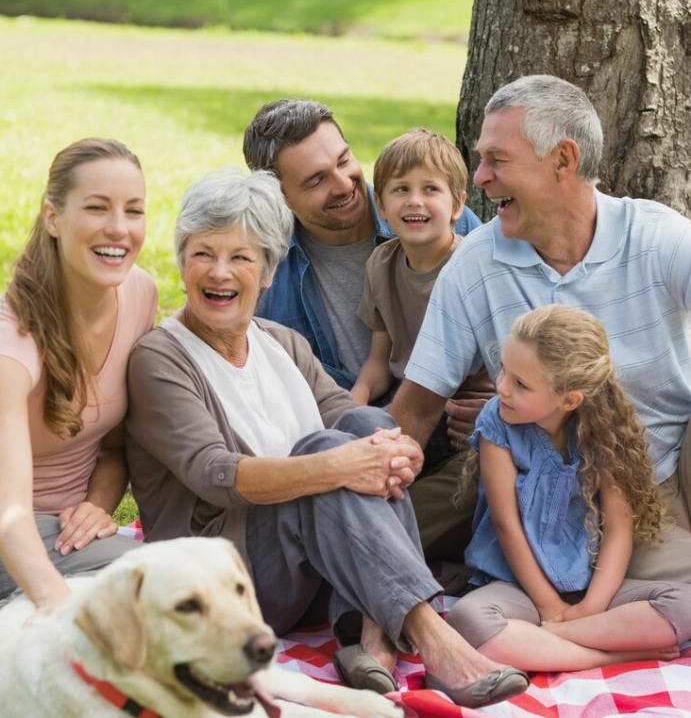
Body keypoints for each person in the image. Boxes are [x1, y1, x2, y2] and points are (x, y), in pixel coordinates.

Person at [125, 169, 529, 709]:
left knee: (366, 427)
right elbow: (215, 475)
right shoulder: (160, 358)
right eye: (203, 253)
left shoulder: (282, 342)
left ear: (268, 272)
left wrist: (397, 449)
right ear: (181, 261)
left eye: (241, 257)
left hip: (312, 578)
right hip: (224, 586)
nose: (220, 272)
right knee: (327, 452)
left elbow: (350, 417)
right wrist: (342, 466)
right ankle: (432, 637)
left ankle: (372, 637)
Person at [392, 74, 691, 582]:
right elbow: (416, 410)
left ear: (563, 161)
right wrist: (357, 478)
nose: (481, 177)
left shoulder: (659, 240)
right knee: (364, 533)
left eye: (497, 159)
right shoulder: (474, 265)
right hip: (529, 488)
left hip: (653, 478)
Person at [0, 138, 158, 663]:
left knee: (159, 592)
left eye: (134, 210)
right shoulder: (5, 343)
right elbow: (8, 512)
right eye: (97, 208)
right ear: (53, 217)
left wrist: (97, 505)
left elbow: (115, 450)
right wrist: (53, 596)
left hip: (61, 530)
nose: (119, 229)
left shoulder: (140, 293)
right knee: (147, 589)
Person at [446, 305, 691, 671]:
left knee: (683, 605)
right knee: (468, 621)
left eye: (521, 384)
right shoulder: (497, 420)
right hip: (520, 588)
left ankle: (547, 642)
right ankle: (617, 653)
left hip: (591, 585)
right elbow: (506, 527)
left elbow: (619, 530)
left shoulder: (604, 430)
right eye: (504, 372)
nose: (501, 388)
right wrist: (550, 607)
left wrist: (589, 608)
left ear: (570, 400)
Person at [242, 99, 482, 391]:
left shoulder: (443, 219)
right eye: (317, 180)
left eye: (343, 160)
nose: (343, 184)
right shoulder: (266, 267)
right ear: (280, 197)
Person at [352, 128, 492, 558]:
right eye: (400, 189)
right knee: (356, 460)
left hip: (464, 424)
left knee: (454, 494)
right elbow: (380, 361)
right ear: (381, 204)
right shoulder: (382, 263)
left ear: (458, 204)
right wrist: (350, 411)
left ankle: (384, 545)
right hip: (406, 410)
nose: (414, 201)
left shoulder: (476, 265)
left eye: (430, 189)